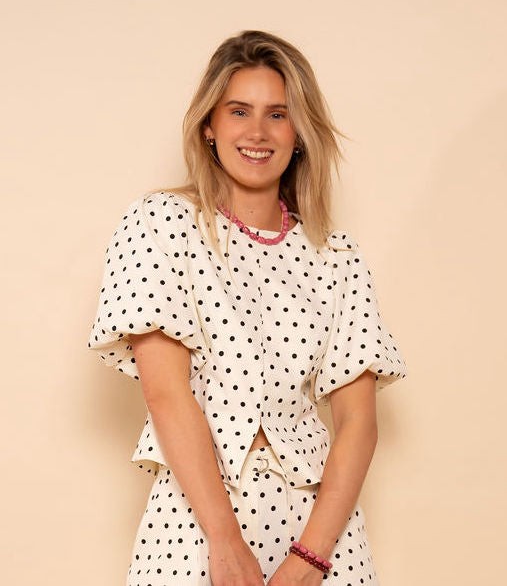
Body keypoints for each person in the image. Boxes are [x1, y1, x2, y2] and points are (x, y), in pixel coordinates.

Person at [87, 29, 408, 586]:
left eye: (278, 115)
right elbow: (166, 393)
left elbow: (358, 421)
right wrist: (225, 540)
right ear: (209, 126)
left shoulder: (337, 256)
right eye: (239, 111)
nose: (257, 132)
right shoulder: (161, 224)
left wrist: (311, 559)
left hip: (322, 530)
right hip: (197, 519)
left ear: (299, 133)